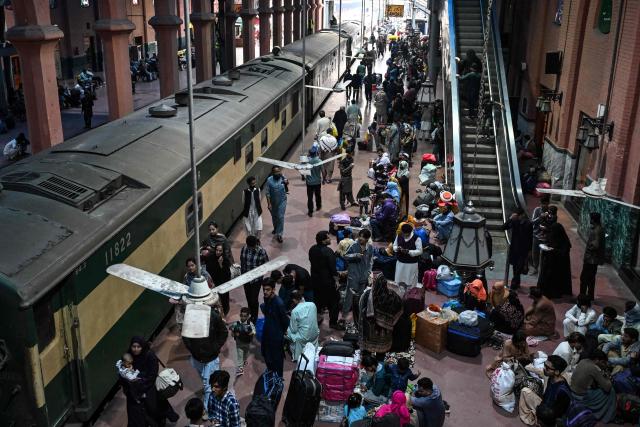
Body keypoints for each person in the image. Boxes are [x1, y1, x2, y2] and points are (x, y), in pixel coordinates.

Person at [182, 305, 229, 415]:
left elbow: (224, 332)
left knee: (209, 385)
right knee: (205, 380)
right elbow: (185, 336)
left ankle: (208, 409)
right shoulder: (190, 316)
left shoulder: (213, 316)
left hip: (210, 359)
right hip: (197, 358)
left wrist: (215, 348)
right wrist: (192, 349)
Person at [123, 336, 179, 426]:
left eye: (138, 347)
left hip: (149, 386)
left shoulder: (149, 356)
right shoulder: (128, 356)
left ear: (142, 346)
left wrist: (141, 382)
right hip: (136, 389)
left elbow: (152, 375)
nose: (136, 349)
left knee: (153, 409)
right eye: (134, 346)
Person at [518, 355, 571, 426]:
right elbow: (545, 398)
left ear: (557, 372)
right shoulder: (551, 379)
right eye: (544, 365)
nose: (544, 368)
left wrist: (540, 419)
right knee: (525, 391)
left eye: (547, 368)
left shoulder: (562, 391)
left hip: (551, 417)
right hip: (544, 409)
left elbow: (557, 415)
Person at [359, 274, 404, 355]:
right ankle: (380, 363)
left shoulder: (367, 295)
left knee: (368, 352)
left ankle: (367, 361)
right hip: (385, 334)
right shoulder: (393, 296)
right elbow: (400, 308)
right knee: (381, 352)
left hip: (370, 332)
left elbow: (361, 310)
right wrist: (389, 321)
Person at [570, 349, 616, 423]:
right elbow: (607, 387)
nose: (603, 364)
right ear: (597, 360)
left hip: (573, 392)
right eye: (602, 362)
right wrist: (607, 376)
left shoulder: (583, 360)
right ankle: (608, 417)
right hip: (582, 396)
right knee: (611, 391)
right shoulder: (594, 368)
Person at [309, 231, 343, 330]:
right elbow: (333, 269)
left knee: (318, 300)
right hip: (327, 282)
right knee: (334, 301)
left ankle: (317, 319)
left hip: (315, 280)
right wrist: (336, 281)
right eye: (328, 238)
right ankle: (333, 322)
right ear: (323, 241)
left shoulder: (312, 249)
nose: (330, 239)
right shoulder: (328, 252)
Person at [342, 229, 374, 319]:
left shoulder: (370, 248)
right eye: (360, 236)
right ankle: (344, 316)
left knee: (360, 297)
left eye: (363, 237)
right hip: (353, 276)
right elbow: (345, 256)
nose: (360, 238)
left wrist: (368, 272)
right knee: (349, 296)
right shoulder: (353, 246)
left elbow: (370, 261)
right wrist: (355, 255)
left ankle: (358, 315)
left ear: (367, 239)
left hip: (363, 277)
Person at [260, 280, 289, 376]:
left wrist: (280, 333)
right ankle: (271, 375)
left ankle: (278, 381)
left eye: (267, 289)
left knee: (277, 361)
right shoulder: (266, 298)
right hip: (267, 333)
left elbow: (285, 321)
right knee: (267, 357)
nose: (265, 292)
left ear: (273, 289)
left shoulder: (279, 304)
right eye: (264, 289)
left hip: (276, 337)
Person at [538, 221, 572, 299]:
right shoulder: (553, 236)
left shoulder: (564, 242)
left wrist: (553, 250)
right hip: (550, 262)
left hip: (558, 265)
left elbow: (563, 253)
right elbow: (549, 243)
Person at [240, 235, 269, 323]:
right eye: (249, 247)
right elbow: (242, 260)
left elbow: (266, 264)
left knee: (254, 299)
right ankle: (250, 314)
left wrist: (258, 273)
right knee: (248, 298)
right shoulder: (244, 248)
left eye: (251, 247)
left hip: (256, 280)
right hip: (246, 278)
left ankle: (254, 317)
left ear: (255, 244)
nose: (250, 248)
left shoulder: (261, 252)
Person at [501, 207, 533, 290]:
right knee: (515, 267)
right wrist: (510, 219)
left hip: (523, 249)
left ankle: (514, 283)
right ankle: (517, 283)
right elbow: (503, 227)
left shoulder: (528, 224)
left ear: (522, 215)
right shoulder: (514, 222)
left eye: (519, 215)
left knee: (519, 267)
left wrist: (530, 250)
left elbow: (530, 238)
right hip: (515, 249)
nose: (518, 217)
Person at [286, 290, 320, 361]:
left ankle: (295, 353)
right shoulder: (312, 304)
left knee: (287, 332)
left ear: (294, 300)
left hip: (304, 338)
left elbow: (294, 330)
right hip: (315, 334)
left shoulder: (295, 311)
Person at [580, 212, 606, 301]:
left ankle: (582, 297)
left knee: (584, 278)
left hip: (590, 259)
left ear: (593, 220)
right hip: (594, 260)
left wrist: (590, 247)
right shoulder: (600, 229)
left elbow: (596, 245)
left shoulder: (596, 231)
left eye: (590, 218)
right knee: (591, 279)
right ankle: (590, 296)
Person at [204, 243, 232, 315]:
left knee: (223, 300)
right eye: (217, 250)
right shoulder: (210, 257)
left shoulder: (225, 260)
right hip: (213, 283)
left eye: (220, 251)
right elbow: (208, 270)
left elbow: (227, 274)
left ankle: (225, 313)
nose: (218, 252)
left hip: (222, 283)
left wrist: (220, 264)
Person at [230, 307, 255, 376]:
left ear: (248, 316)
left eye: (245, 316)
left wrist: (250, 332)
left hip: (247, 342)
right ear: (240, 315)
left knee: (246, 353)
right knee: (239, 354)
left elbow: (253, 331)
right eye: (241, 315)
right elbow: (232, 331)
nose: (243, 318)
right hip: (239, 343)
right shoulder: (237, 323)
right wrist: (234, 333)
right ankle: (240, 368)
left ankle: (244, 360)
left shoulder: (250, 324)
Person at [265, 166, 288, 243]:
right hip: (273, 202)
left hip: (282, 201)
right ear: (272, 173)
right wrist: (269, 204)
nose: (277, 173)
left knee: (280, 216)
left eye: (278, 171)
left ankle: (279, 234)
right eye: (276, 172)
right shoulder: (269, 180)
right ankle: (276, 228)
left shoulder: (282, 177)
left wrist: (286, 182)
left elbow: (287, 182)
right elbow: (267, 193)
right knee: (274, 216)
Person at [530, 194, 550, 274]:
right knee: (535, 252)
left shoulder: (550, 211)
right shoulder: (537, 210)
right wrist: (540, 217)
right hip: (536, 235)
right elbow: (532, 221)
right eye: (543, 203)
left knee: (544, 254)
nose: (544, 205)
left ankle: (543, 269)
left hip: (545, 236)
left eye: (546, 203)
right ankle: (535, 268)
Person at [306, 146, 323, 217]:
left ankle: (310, 211)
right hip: (317, 182)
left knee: (310, 197)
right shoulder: (319, 161)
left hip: (309, 183)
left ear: (310, 154)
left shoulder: (307, 162)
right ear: (316, 153)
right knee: (318, 195)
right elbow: (323, 172)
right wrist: (324, 179)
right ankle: (318, 206)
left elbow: (303, 172)